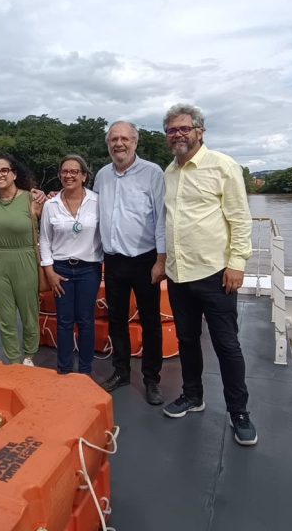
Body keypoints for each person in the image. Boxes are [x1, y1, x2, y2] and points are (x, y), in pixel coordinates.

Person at [160, 103, 257, 446]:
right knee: (187, 340)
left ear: (200, 131)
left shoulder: (223, 166)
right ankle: (193, 395)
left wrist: (237, 263)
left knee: (226, 344)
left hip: (215, 273)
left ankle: (238, 412)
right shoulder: (169, 173)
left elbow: (239, 219)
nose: (178, 135)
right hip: (178, 273)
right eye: (172, 130)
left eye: (184, 129)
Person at [93, 121, 168, 404]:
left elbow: (162, 218)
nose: (119, 144)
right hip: (113, 261)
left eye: (124, 138)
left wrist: (161, 260)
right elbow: (91, 211)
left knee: (151, 322)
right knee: (116, 320)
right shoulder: (102, 175)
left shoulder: (152, 173)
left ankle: (152, 379)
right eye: (114, 139)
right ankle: (121, 372)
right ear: (108, 144)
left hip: (145, 259)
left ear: (135, 142)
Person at [40, 155, 102, 375]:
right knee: (64, 321)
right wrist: (49, 271)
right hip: (61, 269)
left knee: (86, 320)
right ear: (59, 175)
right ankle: (64, 369)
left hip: (88, 269)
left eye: (74, 172)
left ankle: (85, 371)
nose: (69, 175)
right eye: (65, 172)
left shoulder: (97, 201)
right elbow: (45, 239)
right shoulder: (51, 205)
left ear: (84, 176)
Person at [0, 153, 43, 366]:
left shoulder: (32, 199)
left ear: (15, 173)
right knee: (4, 316)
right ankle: (14, 361)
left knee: (29, 314)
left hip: (25, 258)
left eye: (4, 170)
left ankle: (29, 356)